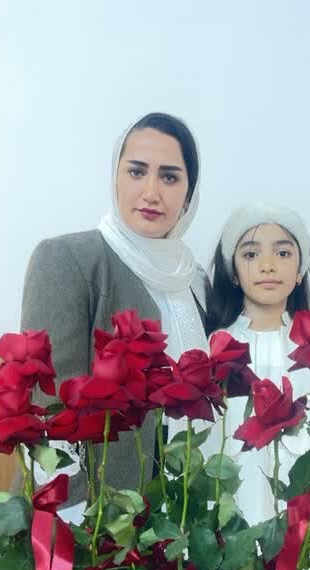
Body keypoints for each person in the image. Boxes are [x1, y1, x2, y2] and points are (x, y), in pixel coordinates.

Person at [15, 112, 210, 508]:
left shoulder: (196, 282)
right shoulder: (69, 259)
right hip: (97, 518)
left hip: (181, 517)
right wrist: (75, 526)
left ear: (189, 195)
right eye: (137, 172)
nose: (151, 192)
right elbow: (48, 408)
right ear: (116, 178)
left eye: (170, 177)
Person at [204, 202, 310, 524]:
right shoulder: (213, 348)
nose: (268, 266)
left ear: (299, 272)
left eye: (283, 253)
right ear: (233, 272)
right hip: (227, 521)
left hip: (301, 524)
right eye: (251, 254)